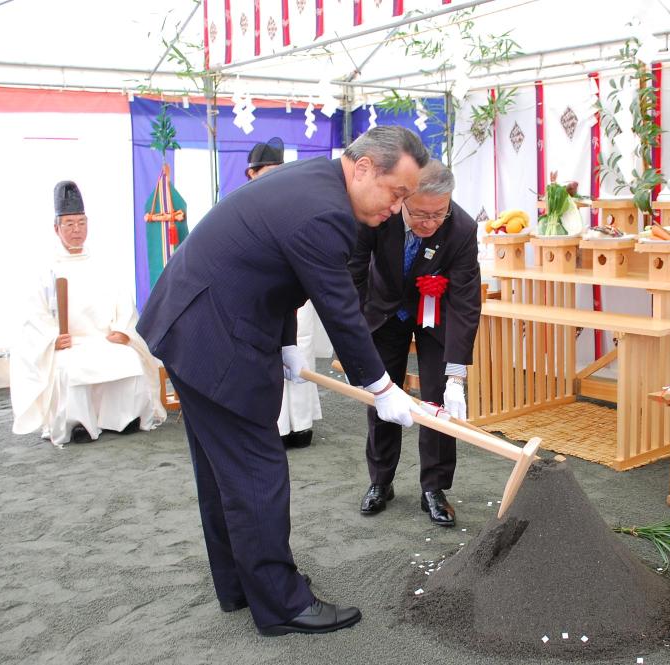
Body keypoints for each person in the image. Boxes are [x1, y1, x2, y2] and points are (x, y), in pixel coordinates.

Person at [136, 126, 429, 637]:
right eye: (396, 193)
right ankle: (281, 603)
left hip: (192, 320)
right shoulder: (326, 210)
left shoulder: (316, 182)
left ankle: (240, 586)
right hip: (213, 336)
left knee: (222, 470)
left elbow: (276, 268)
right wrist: (383, 388)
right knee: (256, 470)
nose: (397, 207)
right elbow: (338, 305)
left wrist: (288, 343)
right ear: (363, 168)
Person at [349, 160, 482, 527]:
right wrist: (355, 341)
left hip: (435, 316)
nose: (430, 223)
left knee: (438, 401)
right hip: (384, 311)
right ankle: (381, 480)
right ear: (403, 200)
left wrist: (456, 373)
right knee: (383, 396)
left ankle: (434, 488)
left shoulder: (461, 228)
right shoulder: (379, 213)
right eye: (421, 214)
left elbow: (466, 300)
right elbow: (354, 274)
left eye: (440, 214)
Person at [10, 181, 166, 447]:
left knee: (128, 358)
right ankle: (78, 424)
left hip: (105, 339)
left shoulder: (102, 264)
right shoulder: (46, 270)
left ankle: (123, 418)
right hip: (72, 343)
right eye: (69, 224)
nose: (76, 230)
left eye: (81, 223)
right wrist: (51, 339)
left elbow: (123, 302)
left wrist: (123, 330)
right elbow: (33, 317)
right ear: (56, 228)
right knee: (70, 367)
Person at [245, 136, 322, 449]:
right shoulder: (242, 204)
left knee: (299, 345)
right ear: (251, 174)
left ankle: (301, 424)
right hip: (260, 290)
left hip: (297, 288)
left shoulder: (296, 200)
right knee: (267, 353)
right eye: (266, 171)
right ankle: (274, 424)